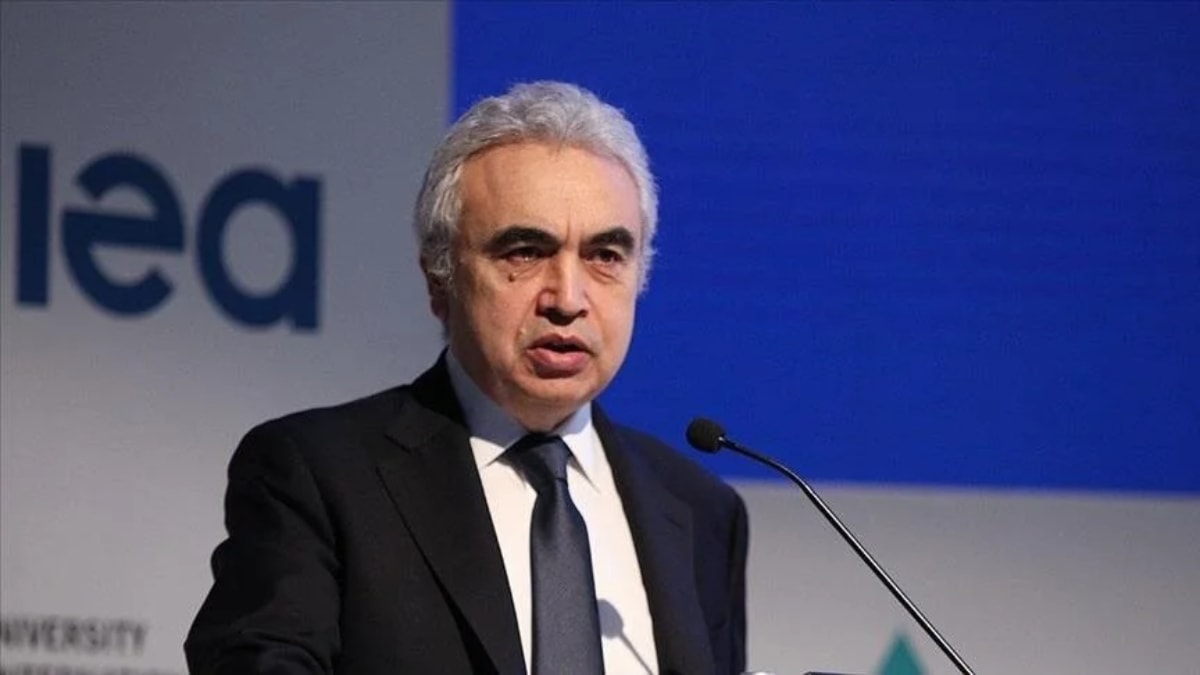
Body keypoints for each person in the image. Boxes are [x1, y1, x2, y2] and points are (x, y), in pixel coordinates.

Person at [186, 81, 747, 675]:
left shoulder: (701, 511)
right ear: (440, 278)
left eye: (605, 256)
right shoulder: (317, 476)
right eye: (525, 252)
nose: (568, 298)